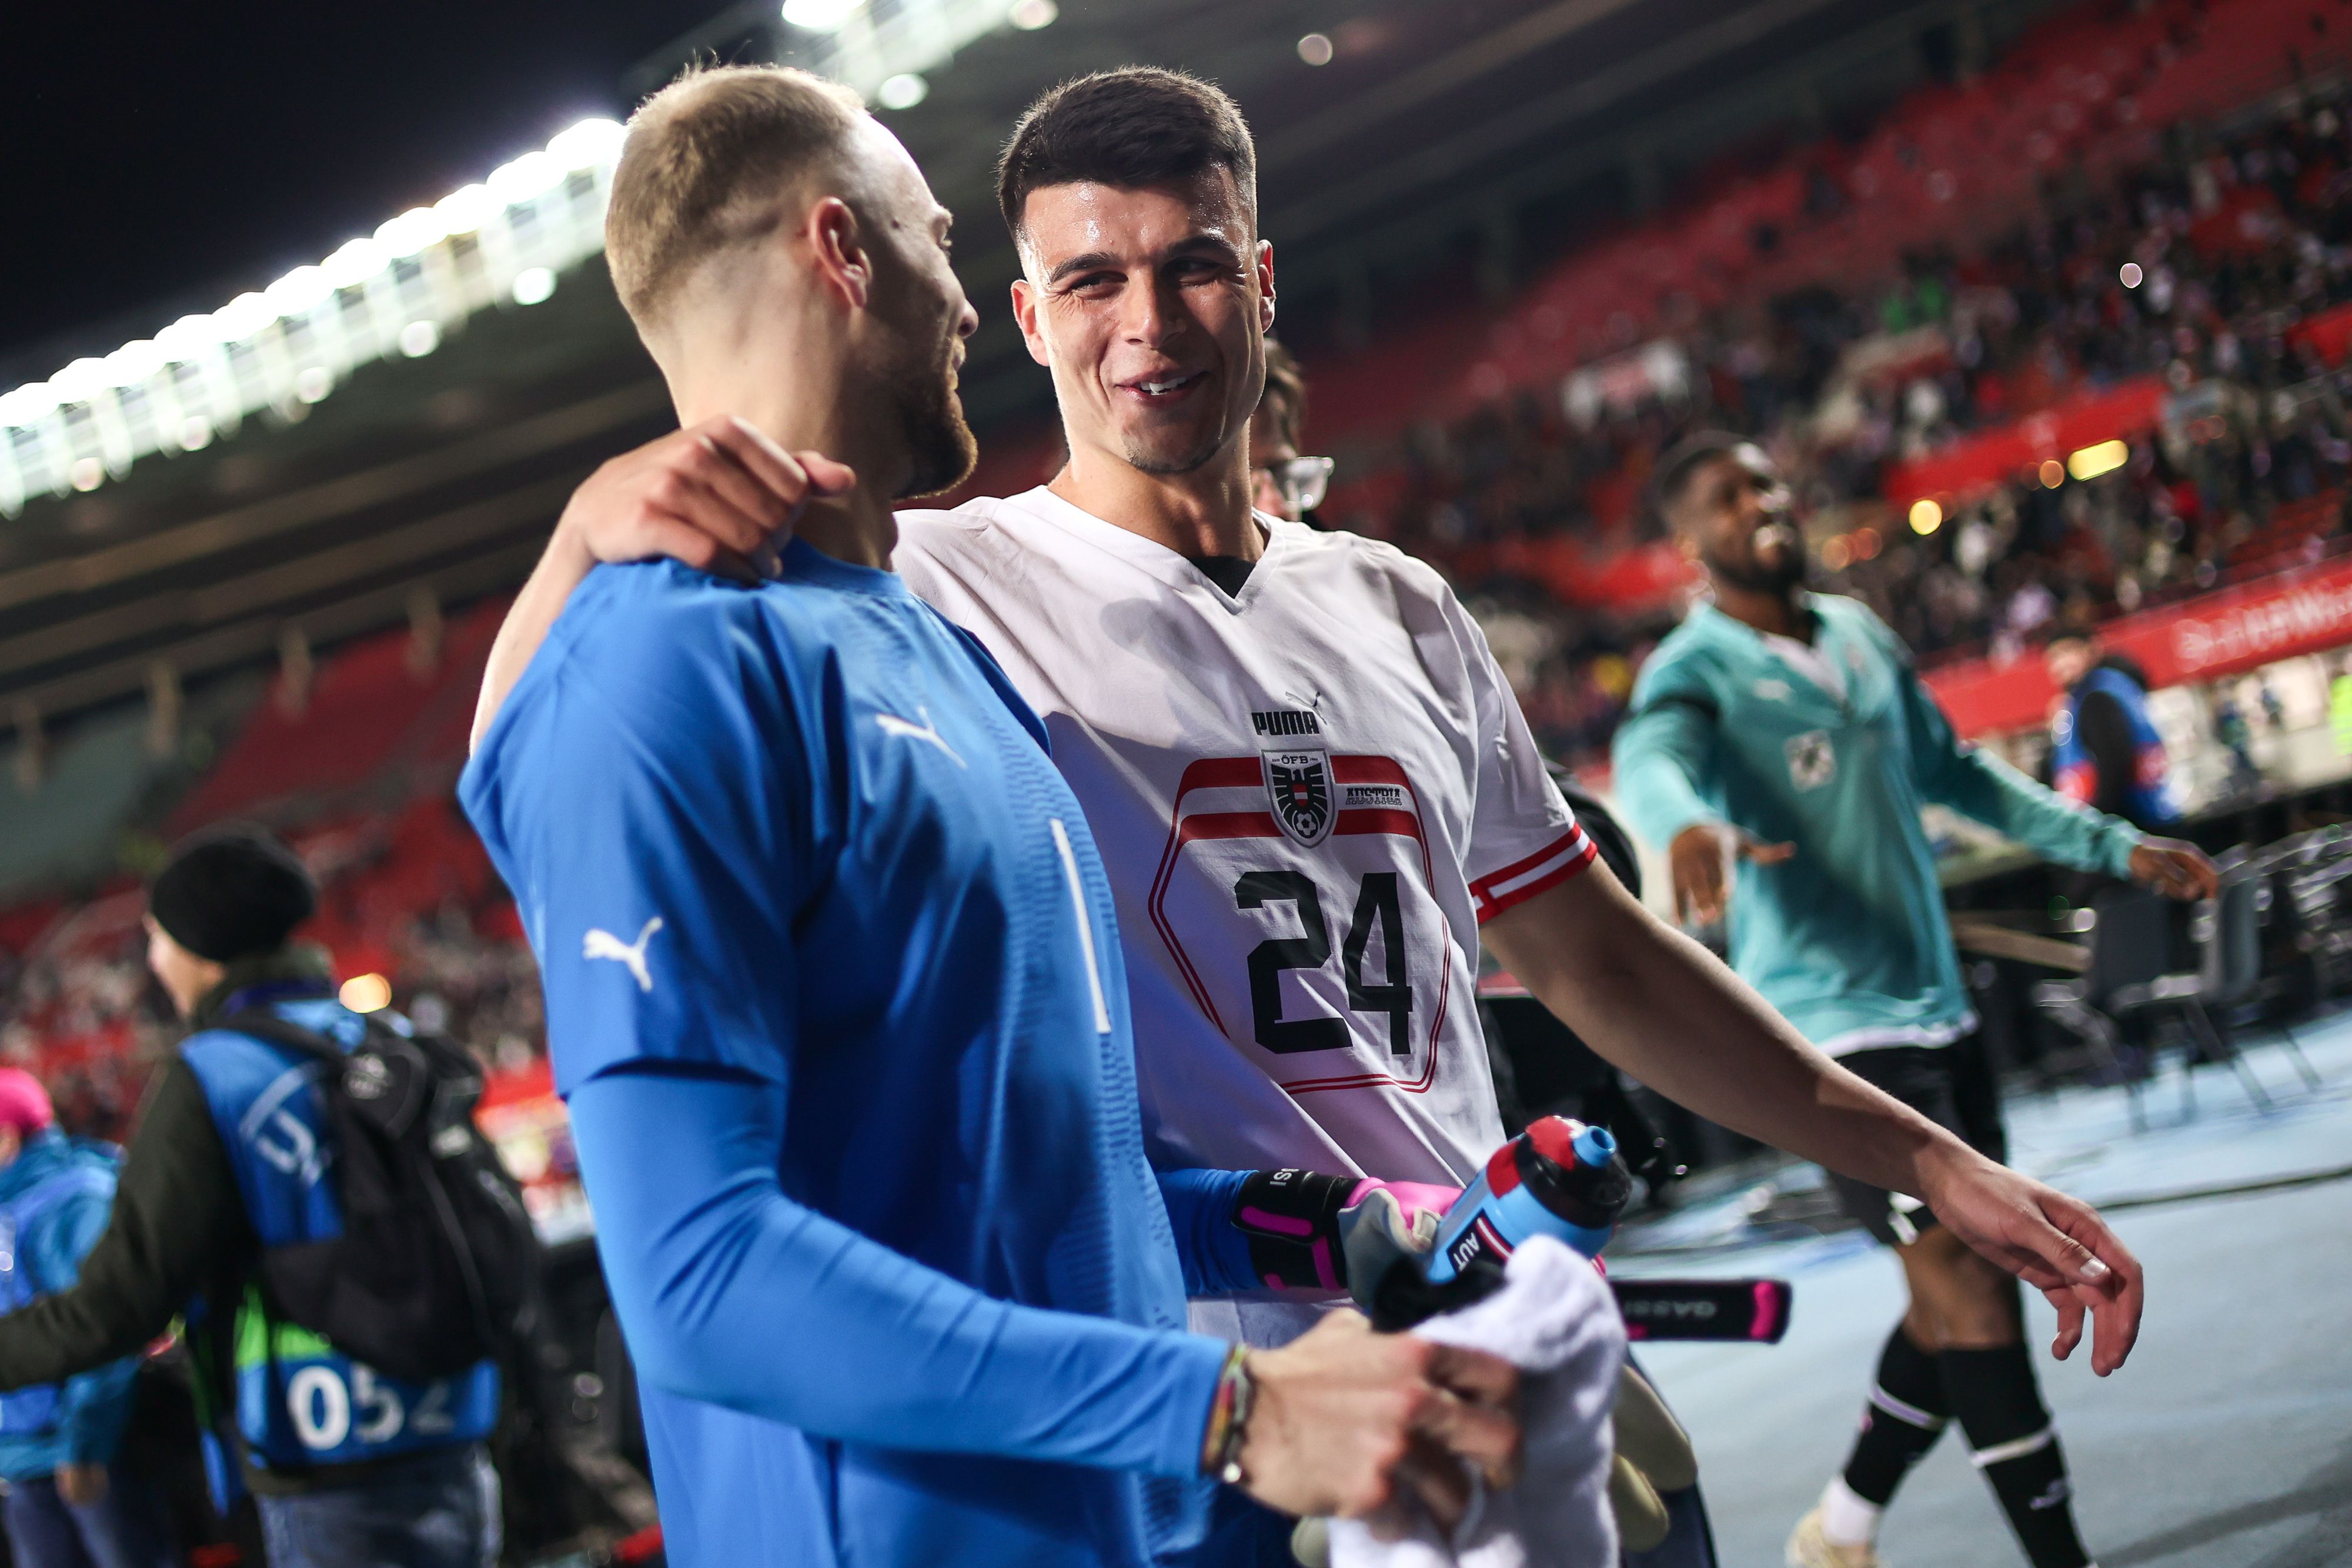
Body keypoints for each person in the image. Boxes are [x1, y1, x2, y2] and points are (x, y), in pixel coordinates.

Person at [475, 66, 2146, 1561]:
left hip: (1477, 1310)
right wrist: (578, 533)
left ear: (1260, 281)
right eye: (1087, 283)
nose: (1149, 323)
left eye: (1193, 265)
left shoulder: (1399, 608)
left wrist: (1919, 1149)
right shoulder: (945, 583)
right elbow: (569, 754)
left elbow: (1601, 961)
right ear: (1027, 308)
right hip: (1221, 1423)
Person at [462, 66, 1529, 1568]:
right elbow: (697, 1277)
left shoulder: (929, 646)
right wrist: (1229, 1409)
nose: (969, 304)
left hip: (1115, 1525)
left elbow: (1040, 1173)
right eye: (932, 236)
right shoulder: (659, 661)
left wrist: (1309, 1222)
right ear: (840, 249)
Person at [1609, 433, 2219, 1568]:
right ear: (1688, 543)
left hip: (1938, 1007)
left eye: (1767, 481)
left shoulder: (1858, 635)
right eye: (1730, 496)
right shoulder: (1694, 669)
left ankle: (1840, 1528)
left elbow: (1962, 776)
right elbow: (1655, 757)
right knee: (1976, 1295)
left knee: (1950, 1302)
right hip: (1838, 1042)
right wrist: (1681, 821)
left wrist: (2110, 843)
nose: (1763, 502)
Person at [0, 827, 505, 1568]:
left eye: (157, 939)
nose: (153, 960)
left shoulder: (213, 1074)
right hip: (455, 1432)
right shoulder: (376, 1037)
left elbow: (123, 1301)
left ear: (199, 950)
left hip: (324, 1460)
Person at [0, 1069, 178, 1568]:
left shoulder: (75, 1200)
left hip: (91, 1451)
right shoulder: (10, 1205)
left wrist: (86, 1443)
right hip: (23, 1458)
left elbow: (108, 1326)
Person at [2044, 631, 2183, 831]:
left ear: (2091, 650)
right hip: (2154, 816)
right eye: (2054, 657)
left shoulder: (2096, 699)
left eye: (2068, 652)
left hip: (2132, 827)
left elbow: (2115, 764)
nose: (2061, 664)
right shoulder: (2116, 686)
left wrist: (2102, 826)